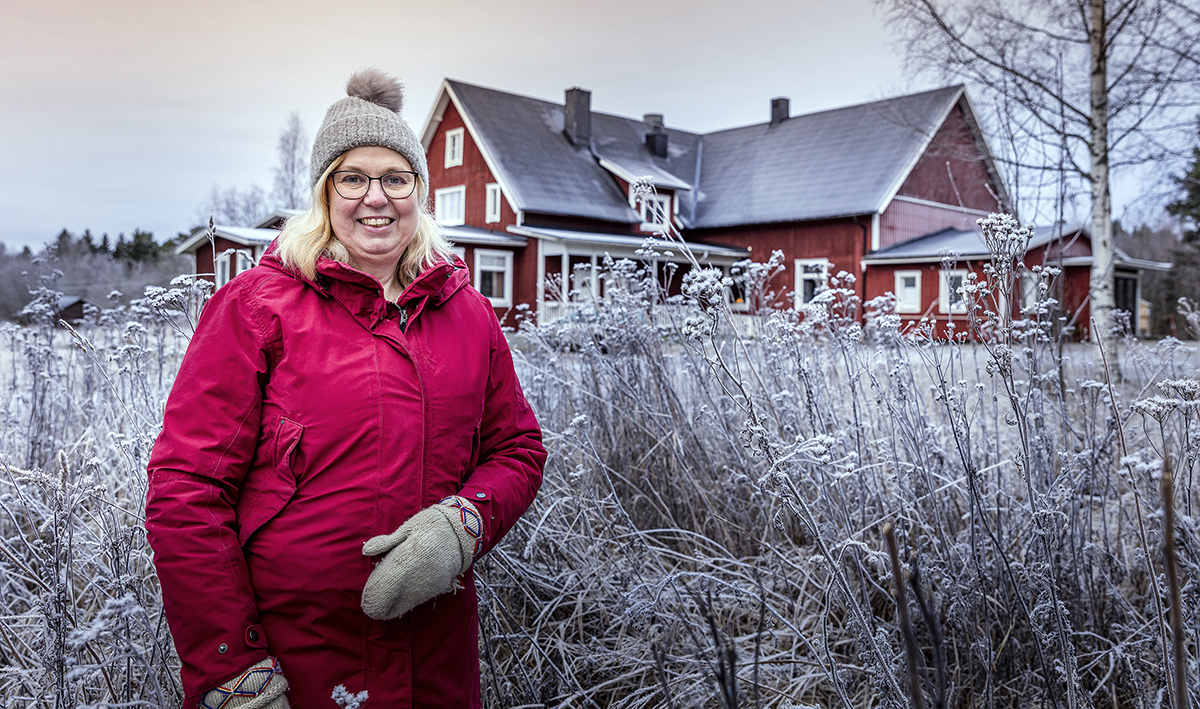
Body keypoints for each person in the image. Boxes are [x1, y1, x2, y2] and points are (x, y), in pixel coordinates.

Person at [145, 68, 546, 709]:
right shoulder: (256, 307)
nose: (376, 198)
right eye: (352, 179)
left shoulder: (467, 313)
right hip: (297, 665)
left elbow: (518, 450)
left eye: (395, 178)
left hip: (434, 664)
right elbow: (187, 491)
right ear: (324, 195)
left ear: (419, 189)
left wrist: (466, 524)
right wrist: (231, 666)